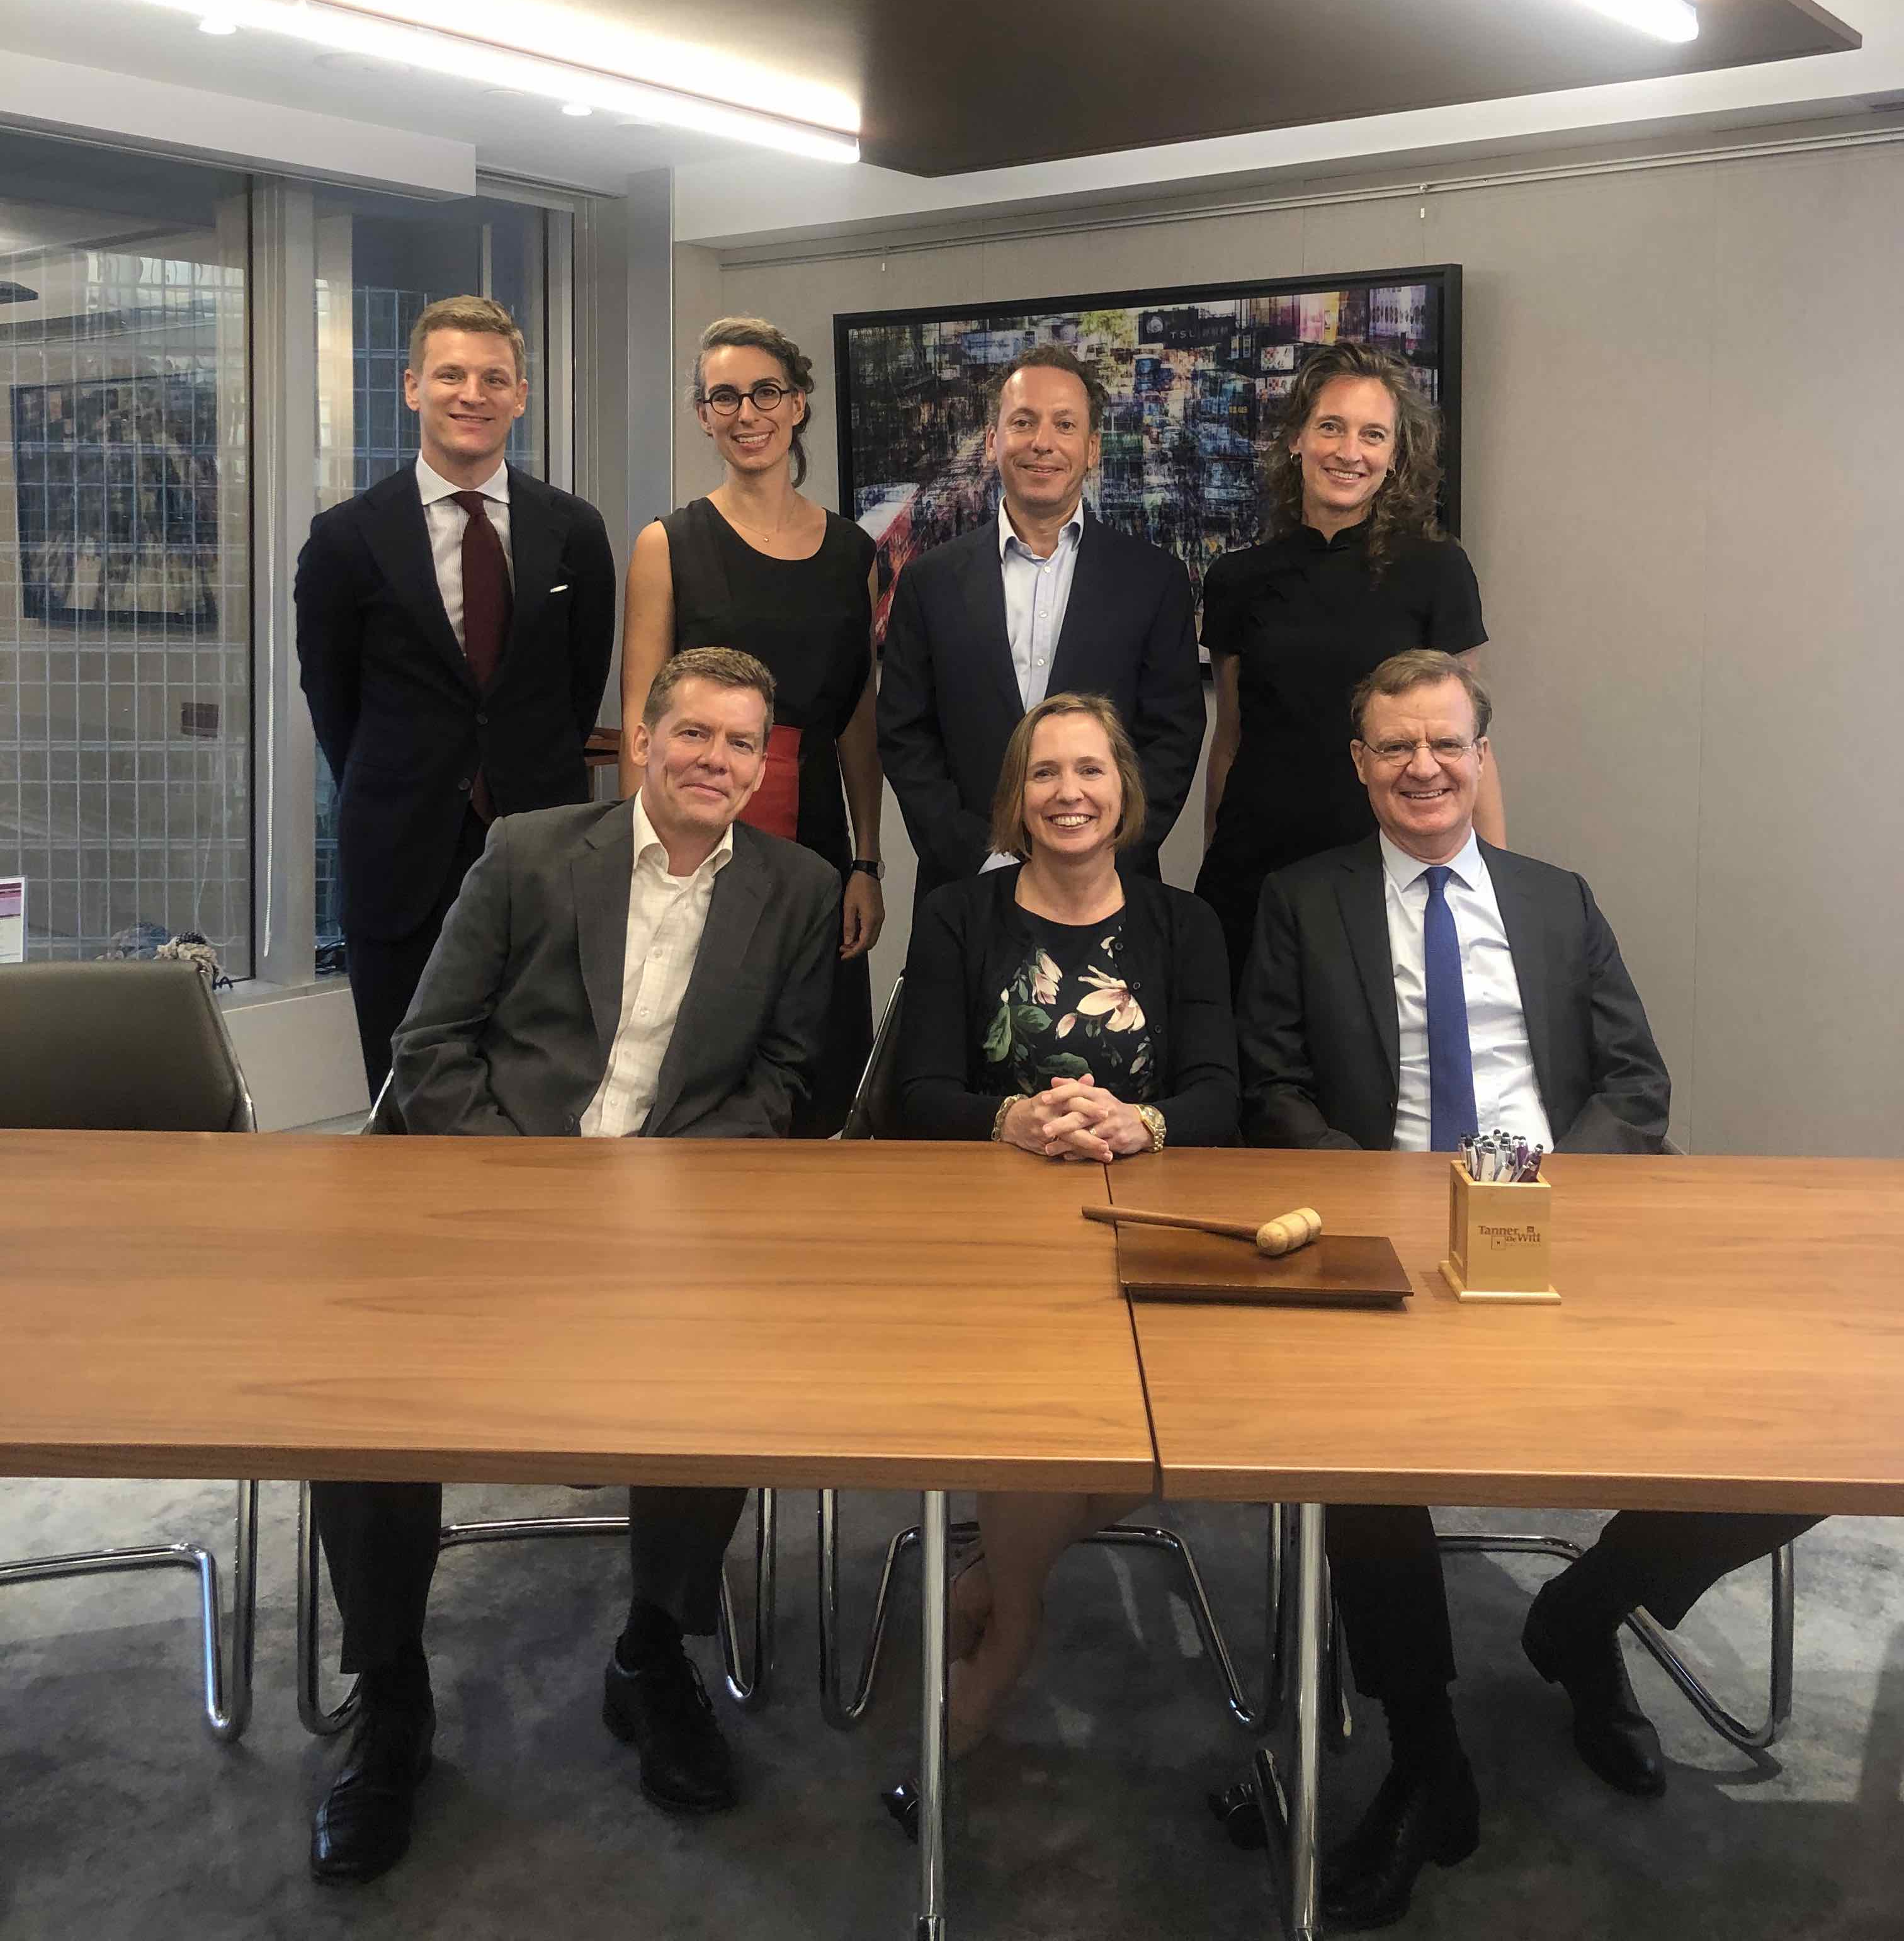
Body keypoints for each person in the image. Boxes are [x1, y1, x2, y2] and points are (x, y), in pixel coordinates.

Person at [1237, 647, 1813, 1931]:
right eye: (1396, 746)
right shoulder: (1301, 900)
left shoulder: (1555, 899)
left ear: (1480, 756)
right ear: (1359, 765)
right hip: (1385, 1234)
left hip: (1564, 1222)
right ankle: (1424, 1754)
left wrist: (1554, 1190)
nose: (1423, 767)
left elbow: (1635, 1081)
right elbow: (1271, 1086)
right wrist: (1387, 1201)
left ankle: (1582, 1612)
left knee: (1814, 1435)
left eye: (1446, 743)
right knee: (1353, 1453)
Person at [307, 648, 840, 1885]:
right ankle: (392, 1692)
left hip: (675, 1212)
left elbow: (780, 1079)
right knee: (356, 1388)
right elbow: (429, 1046)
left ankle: (650, 1654)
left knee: (725, 1374)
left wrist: (662, 1196)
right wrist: (533, 1191)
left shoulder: (799, 889)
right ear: (642, 741)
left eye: (740, 743)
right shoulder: (531, 853)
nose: (715, 760)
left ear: (761, 765)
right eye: (692, 734)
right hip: (491, 1193)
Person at [895, 691, 1237, 1776]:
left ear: (1124, 791)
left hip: (1144, 1215)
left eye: (1090, 769)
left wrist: (1143, 1122)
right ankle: (1014, 1631)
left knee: (1196, 1415)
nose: (1068, 792)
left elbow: (1221, 1092)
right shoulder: (959, 914)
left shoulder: (1184, 924)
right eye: (1044, 772)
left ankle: (997, 1584)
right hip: (990, 1232)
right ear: (1015, 797)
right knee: (1038, 1392)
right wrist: (1013, 1118)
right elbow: (916, 1091)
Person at [295, 294, 617, 1097]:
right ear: (412, 387)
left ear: (521, 396)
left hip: (540, 850)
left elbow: (579, 690)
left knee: (537, 1088)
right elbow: (334, 705)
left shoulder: (575, 532)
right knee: (404, 1091)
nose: (472, 394)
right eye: (450, 375)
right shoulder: (345, 539)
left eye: (493, 378)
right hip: (399, 856)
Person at [620, 316, 881, 1137]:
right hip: (698, 828)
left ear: (798, 404)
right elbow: (640, 722)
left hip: (820, 836)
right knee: (702, 1061)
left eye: (766, 392)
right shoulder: (666, 545)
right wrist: (642, 870)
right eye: (724, 397)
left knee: (815, 1065)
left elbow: (857, 720)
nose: (747, 414)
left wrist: (867, 861)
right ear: (704, 416)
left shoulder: (853, 554)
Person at [1198, 340, 1502, 993]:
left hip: (1389, 868)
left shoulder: (1438, 570)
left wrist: (1495, 888)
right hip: (1254, 872)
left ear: (1395, 455)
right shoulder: (1236, 579)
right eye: (1331, 427)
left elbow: (1469, 745)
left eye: (1373, 435)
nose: (1349, 451)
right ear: (1297, 440)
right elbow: (1230, 739)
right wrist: (1211, 857)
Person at [878, 344, 1205, 907]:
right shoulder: (929, 581)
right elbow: (906, 734)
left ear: (1092, 448)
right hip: (966, 890)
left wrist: (1101, 852)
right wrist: (978, 854)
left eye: (1065, 424)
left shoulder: (1155, 580)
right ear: (992, 441)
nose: (1042, 442)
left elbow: (1173, 737)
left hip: (1111, 889)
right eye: (1023, 422)